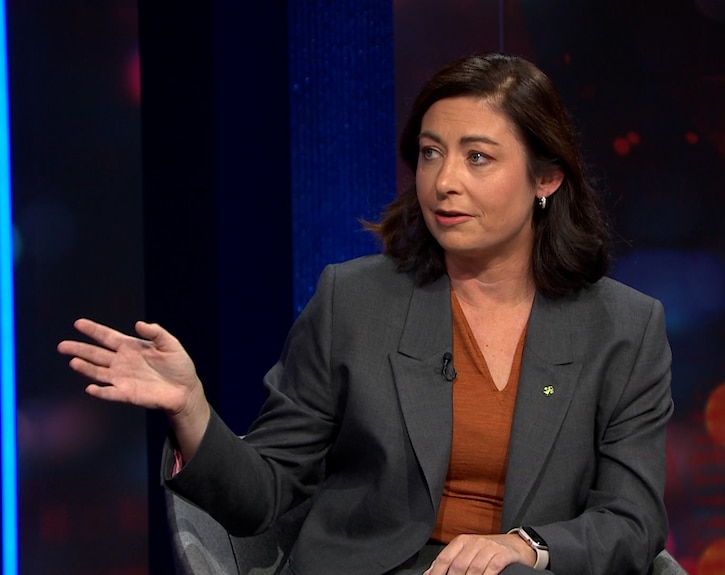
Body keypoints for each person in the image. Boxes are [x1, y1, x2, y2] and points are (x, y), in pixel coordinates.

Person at [58, 52, 673, 574]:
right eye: (431, 154)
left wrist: (526, 546)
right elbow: (264, 494)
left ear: (546, 178)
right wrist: (192, 409)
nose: (444, 182)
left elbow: (632, 518)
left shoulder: (623, 329)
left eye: (477, 157)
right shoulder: (354, 301)